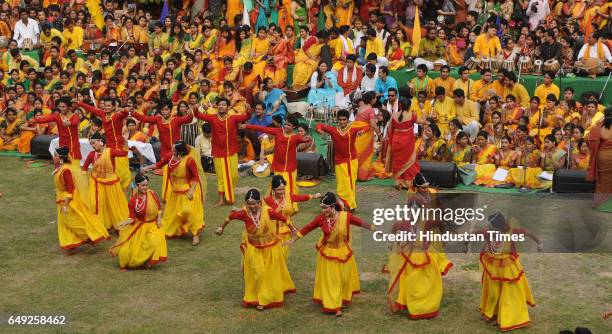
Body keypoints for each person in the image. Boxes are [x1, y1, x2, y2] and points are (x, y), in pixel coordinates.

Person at [289, 192, 374, 316]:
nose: (323, 210)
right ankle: (333, 306)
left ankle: (341, 299)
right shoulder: (321, 218)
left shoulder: (345, 216)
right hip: (329, 254)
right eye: (322, 208)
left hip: (344, 252)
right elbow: (308, 227)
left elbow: (360, 222)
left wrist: (374, 229)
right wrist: (293, 239)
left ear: (333, 206)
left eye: (325, 208)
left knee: (344, 279)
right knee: (332, 281)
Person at [216, 189, 297, 309]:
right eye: (249, 203)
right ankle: (258, 296)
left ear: (259, 203)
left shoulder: (268, 211)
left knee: (270, 274)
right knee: (259, 273)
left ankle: (264, 300)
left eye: (255, 203)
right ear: (246, 203)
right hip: (255, 250)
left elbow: (284, 219)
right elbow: (230, 217)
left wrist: (293, 230)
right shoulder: (244, 213)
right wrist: (221, 228)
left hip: (270, 248)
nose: (252, 206)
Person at [467, 212, 542, 332]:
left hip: (508, 268)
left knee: (509, 292)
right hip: (493, 268)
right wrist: (466, 243)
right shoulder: (487, 232)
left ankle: (509, 317)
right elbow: (473, 235)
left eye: (491, 226)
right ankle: (494, 314)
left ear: (500, 227)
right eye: (489, 226)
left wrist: (539, 243)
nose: (488, 228)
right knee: (494, 293)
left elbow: (527, 232)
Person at [142, 141, 205, 245]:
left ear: (179, 152)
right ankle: (177, 230)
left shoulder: (189, 161)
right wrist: (146, 167)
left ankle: (195, 234)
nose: (171, 150)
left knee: (189, 212)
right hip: (175, 190)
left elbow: (195, 178)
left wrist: (191, 191)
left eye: (173, 149)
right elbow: (159, 164)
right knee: (173, 213)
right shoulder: (170, 157)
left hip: (187, 190)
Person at [194, 97, 252, 206]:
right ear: (217, 106)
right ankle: (221, 199)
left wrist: (248, 110)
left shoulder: (233, 118)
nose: (221, 106)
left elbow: (246, 116)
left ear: (228, 107)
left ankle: (228, 192)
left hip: (231, 151)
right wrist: (196, 109)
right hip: (218, 152)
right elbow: (198, 115)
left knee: (234, 175)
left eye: (223, 105)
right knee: (220, 176)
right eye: (219, 104)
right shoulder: (213, 118)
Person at [52, 146, 109, 251]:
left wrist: (65, 204)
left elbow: (70, 189)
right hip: (62, 199)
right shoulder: (60, 168)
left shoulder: (66, 171)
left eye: (55, 156)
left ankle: (90, 237)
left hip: (69, 200)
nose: (53, 157)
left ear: (60, 158)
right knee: (64, 222)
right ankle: (71, 243)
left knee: (71, 221)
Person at [110, 174, 168, 270]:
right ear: (137, 186)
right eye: (143, 185)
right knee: (129, 250)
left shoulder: (152, 194)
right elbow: (132, 218)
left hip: (154, 225)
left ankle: (150, 261)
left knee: (153, 242)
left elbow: (159, 208)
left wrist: (158, 219)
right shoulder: (133, 201)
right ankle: (133, 261)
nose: (145, 187)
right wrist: (124, 222)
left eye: (146, 185)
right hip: (140, 226)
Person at [245, 115, 309, 201]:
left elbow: (304, 140)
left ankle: (290, 205)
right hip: (278, 166)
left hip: (289, 168)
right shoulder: (278, 131)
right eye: (285, 124)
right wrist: (247, 125)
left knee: (288, 187)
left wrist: (306, 139)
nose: (286, 126)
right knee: (277, 186)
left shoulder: (295, 137)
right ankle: (276, 203)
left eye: (289, 125)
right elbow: (262, 129)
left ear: (294, 127)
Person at [316, 110, 369, 210]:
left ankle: (350, 205)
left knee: (349, 183)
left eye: (344, 120)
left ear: (347, 120)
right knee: (341, 184)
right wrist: (320, 131)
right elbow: (319, 125)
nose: (342, 122)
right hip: (339, 161)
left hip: (351, 161)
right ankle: (344, 203)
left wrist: (362, 131)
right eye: (340, 120)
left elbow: (367, 126)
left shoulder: (352, 129)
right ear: (337, 120)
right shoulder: (333, 130)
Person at [264, 175, 321, 259]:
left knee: (283, 254)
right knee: (274, 255)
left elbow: (300, 198)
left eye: (283, 189)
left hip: (287, 230)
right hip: (273, 231)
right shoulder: (268, 201)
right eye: (279, 190)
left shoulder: (288, 197)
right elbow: (256, 207)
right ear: (273, 190)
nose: (281, 191)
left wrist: (313, 196)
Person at [79, 98, 131, 190]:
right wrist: (79, 103)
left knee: (121, 173)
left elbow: (126, 112)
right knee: (109, 170)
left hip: (118, 146)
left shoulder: (118, 116)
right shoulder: (103, 114)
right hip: (108, 147)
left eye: (109, 106)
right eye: (105, 105)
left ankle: (122, 189)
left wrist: (123, 109)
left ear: (114, 106)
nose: (106, 107)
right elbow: (92, 109)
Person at [82, 133, 129, 231]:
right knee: (98, 204)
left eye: (94, 143)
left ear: (101, 142)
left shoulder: (110, 151)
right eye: (91, 144)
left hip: (111, 183)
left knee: (114, 204)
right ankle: (100, 225)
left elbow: (124, 154)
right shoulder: (92, 154)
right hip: (97, 183)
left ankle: (118, 224)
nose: (92, 145)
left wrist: (126, 142)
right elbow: (85, 168)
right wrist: (81, 179)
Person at [33, 97, 81, 164]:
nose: (61, 109)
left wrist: (69, 123)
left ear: (69, 107)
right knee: (60, 163)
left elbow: (75, 122)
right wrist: (34, 120)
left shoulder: (75, 116)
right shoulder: (57, 116)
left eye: (63, 107)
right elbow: (45, 119)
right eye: (60, 106)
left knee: (73, 163)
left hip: (73, 143)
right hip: (62, 143)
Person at [386, 100, 421, 189]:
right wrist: (423, 110)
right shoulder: (412, 116)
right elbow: (424, 121)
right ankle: (407, 183)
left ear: (400, 105)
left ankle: (398, 182)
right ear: (409, 107)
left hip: (396, 141)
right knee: (409, 161)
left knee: (398, 161)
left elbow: (390, 130)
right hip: (407, 142)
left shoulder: (394, 116)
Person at [586, 107, 612, 210]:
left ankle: (602, 205)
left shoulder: (599, 127)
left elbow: (588, 139)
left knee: (603, 181)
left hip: (603, 157)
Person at [354, 91, 383, 181]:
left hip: (358, 134)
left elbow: (358, 122)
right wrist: (379, 134)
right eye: (375, 98)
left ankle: (355, 174)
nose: (376, 99)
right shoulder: (370, 110)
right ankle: (363, 176)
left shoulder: (360, 107)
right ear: (372, 99)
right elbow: (373, 125)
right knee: (365, 155)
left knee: (358, 154)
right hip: (365, 135)